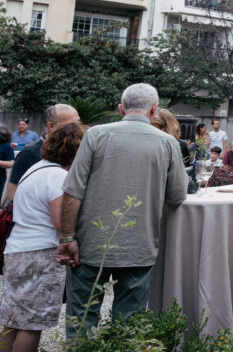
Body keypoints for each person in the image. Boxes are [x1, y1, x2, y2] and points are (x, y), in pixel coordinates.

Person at [57, 83, 189, 339]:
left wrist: (67, 238)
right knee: (128, 327)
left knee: (81, 320)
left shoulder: (96, 135)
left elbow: (73, 190)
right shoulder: (168, 143)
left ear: (121, 109)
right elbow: (177, 196)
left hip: (90, 244)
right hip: (138, 246)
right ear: (154, 109)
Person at [0, 121, 86, 352]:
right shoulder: (57, 177)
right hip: (40, 254)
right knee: (32, 324)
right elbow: (60, 221)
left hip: (17, 249)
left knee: (12, 320)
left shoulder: (36, 169)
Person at [7, 104, 79, 203]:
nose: (78, 129)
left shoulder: (80, 150)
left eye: (79, 123)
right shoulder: (29, 153)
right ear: (51, 126)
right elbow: (13, 192)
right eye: (71, 125)